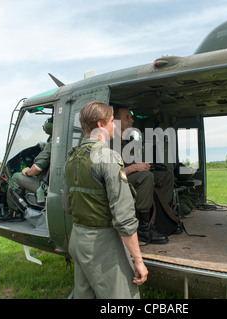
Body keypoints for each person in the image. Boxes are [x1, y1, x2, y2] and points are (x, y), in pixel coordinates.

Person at [64, 101, 147, 299]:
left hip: (78, 239)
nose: (115, 125)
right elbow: (124, 218)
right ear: (101, 125)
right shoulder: (108, 158)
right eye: (111, 121)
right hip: (102, 246)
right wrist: (138, 260)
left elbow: (67, 205)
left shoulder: (72, 158)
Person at [113, 107, 174, 244]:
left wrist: (145, 168)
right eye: (127, 117)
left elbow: (136, 164)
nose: (132, 120)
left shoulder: (129, 142)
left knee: (166, 175)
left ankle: (162, 219)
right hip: (118, 180)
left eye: (131, 116)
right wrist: (136, 168)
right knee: (145, 177)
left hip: (133, 177)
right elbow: (112, 174)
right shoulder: (110, 142)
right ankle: (143, 228)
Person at [8, 117, 52, 208]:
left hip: (48, 186)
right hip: (53, 183)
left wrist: (27, 172)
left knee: (16, 177)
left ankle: (14, 211)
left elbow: (36, 169)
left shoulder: (52, 144)